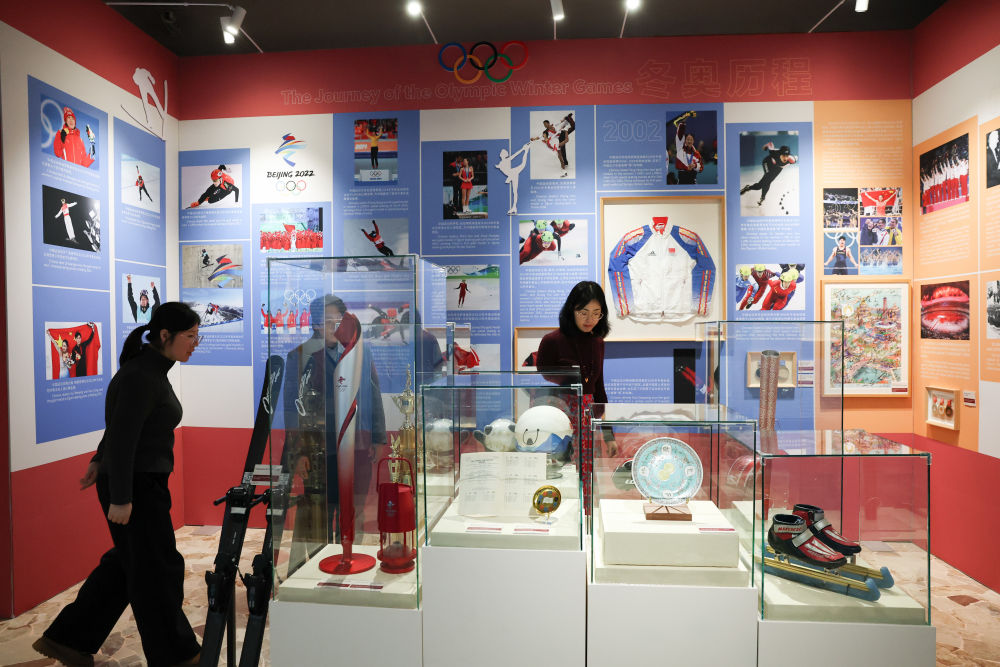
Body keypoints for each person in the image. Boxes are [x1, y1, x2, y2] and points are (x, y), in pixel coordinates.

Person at [33, 303, 202, 667]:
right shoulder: (141, 375)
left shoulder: (150, 370)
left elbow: (122, 426)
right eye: (190, 335)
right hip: (135, 487)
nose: (196, 343)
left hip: (139, 482)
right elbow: (124, 436)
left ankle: (67, 639)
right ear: (165, 335)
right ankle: (177, 656)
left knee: (129, 563)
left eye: (197, 335)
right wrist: (122, 497)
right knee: (158, 569)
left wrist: (99, 459)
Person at [535, 281, 618, 497]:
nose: (590, 319)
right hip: (559, 413)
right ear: (572, 309)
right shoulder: (551, 341)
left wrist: (608, 434)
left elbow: (599, 389)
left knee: (588, 475)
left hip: (588, 415)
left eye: (596, 313)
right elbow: (545, 375)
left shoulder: (598, 342)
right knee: (559, 473)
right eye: (583, 312)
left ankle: (587, 513)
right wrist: (571, 374)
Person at [739, 142, 796, 206]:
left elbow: (795, 158)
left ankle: (748, 188)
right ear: (780, 154)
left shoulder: (792, 159)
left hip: (777, 167)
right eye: (783, 156)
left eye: (787, 156)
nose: (785, 158)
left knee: (763, 184)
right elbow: (770, 144)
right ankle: (762, 196)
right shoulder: (774, 153)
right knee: (767, 178)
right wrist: (765, 146)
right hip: (767, 162)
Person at [670, 111, 703, 184]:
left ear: (693, 141)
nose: (689, 141)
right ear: (684, 140)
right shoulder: (680, 148)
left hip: (693, 181)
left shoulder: (697, 154)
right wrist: (686, 117)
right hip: (682, 181)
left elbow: (701, 168)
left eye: (691, 140)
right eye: (687, 139)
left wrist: (695, 166)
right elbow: (681, 131)